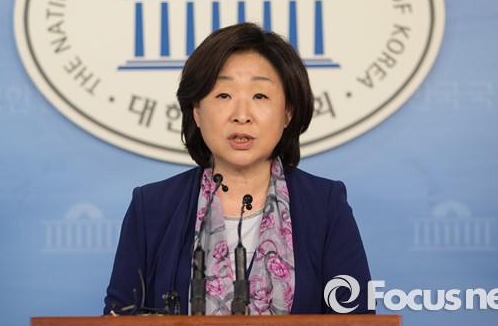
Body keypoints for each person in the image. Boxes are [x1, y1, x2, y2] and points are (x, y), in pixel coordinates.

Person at [103, 23, 372, 315]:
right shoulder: (152, 207)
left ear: (287, 112)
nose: (242, 116)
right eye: (223, 95)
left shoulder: (325, 205)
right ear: (197, 111)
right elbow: (118, 316)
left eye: (260, 96)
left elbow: (357, 317)